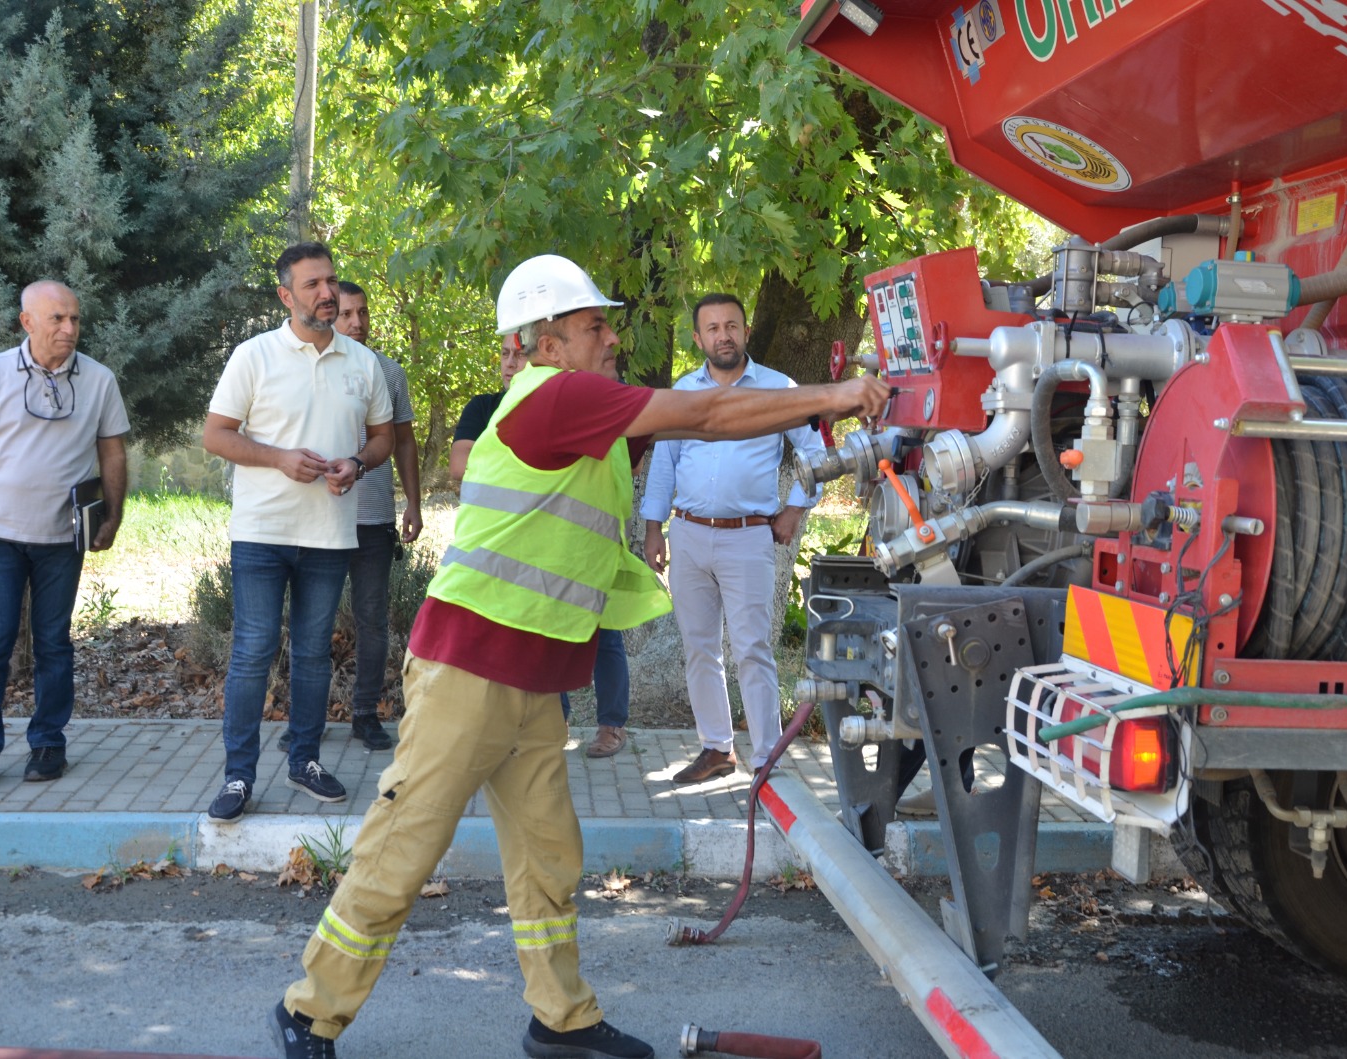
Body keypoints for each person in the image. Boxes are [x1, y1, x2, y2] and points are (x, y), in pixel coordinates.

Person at [269, 254, 888, 1059]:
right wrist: (837, 395)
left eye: (606, 322)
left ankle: (560, 1019)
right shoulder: (557, 394)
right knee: (403, 849)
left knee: (550, 857)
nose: (609, 335)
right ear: (544, 341)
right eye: (593, 325)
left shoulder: (575, 409)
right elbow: (701, 416)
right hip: (471, 670)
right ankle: (308, 1010)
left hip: (531, 682)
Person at [202, 243, 394, 824]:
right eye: (313, 284)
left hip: (330, 535)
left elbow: (382, 440)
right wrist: (278, 458)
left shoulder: (364, 364)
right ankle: (238, 776)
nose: (328, 293)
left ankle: (304, 761)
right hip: (262, 533)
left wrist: (356, 465)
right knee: (254, 650)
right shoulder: (253, 356)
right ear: (286, 296)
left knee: (312, 655)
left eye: (331, 282)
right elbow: (216, 435)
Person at [0, 281, 130, 794]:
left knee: (54, 642)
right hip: (0, 536)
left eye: (74, 319)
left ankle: (48, 743)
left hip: (62, 538)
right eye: (57, 319)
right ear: (28, 322)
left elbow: (112, 452)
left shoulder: (98, 379)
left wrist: (112, 515)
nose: (69, 329)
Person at [640, 294, 826, 785]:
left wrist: (795, 509)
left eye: (732, 326)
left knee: (752, 649)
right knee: (700, 648)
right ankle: (716, 749)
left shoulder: (778, 389)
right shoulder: (684, 391)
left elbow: (818, 455)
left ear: (745, 332)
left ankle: (767, 759)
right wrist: (654, 529)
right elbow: (664, 464)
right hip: (690, 535)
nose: (723, 335)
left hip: (748, 538)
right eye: (712, 328)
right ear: (698, 339)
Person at [450, 334, 632, 760]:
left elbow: (629, 457)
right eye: (505, 354)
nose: (512, 363)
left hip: (582, 544)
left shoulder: (573, 402)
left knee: (604, 635)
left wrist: (510, 456)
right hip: (519, 549)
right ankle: (556, 722)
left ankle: (612, 725)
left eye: (520, 354)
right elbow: (460, 466)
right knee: (542, 634)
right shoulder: (484, 407)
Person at [331, 280, 420, 750]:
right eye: (347, 314)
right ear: (330, 315)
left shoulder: (389, 373)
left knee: (372, 619)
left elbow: (404, 442)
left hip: (373, 519)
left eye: (363, 313)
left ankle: (365, 714)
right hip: (321, 517)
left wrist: (414, 503)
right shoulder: (313, 372)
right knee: (313, 619)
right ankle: (304, 721)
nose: (357, 323)